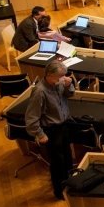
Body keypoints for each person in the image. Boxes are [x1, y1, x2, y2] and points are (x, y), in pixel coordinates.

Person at [25, 61, 74, 199]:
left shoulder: (58, 83)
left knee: (68, 159)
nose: (63, 79)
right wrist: (40, 134)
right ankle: (59, 192)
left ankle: (70, 187)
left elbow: (69, 95)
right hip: (52, 130)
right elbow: (31, 118)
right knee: (58, 164)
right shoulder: (40, 92)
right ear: (49, 75)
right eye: (60, 76)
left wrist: (68, 85)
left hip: (64, 126)